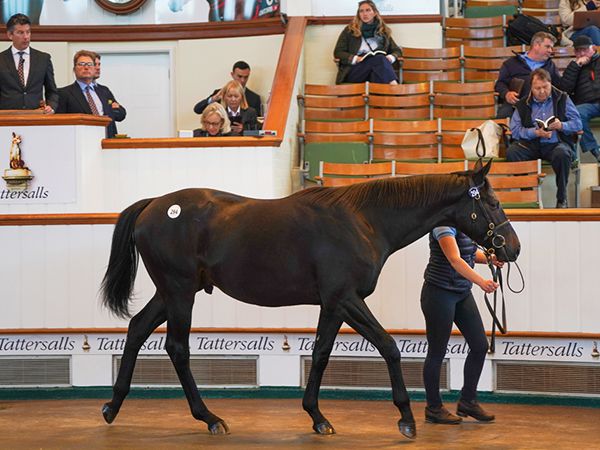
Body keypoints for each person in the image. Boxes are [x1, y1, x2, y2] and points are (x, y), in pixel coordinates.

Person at [421, 226, 501, 425]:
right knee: (437, 351)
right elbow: (455, 259)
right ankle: (433, 408)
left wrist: (491, 259)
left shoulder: (462, 222)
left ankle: (468, 401)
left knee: (480, 346)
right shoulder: (443, 225)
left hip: (461, 292)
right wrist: (482, 282)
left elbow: (469, 251)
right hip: (439, 293)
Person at [507, 68, 582, 208]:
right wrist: (535, 132)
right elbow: (515, 130)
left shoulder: (562, 98)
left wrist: (561, 125)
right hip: (531, 145)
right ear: (531, 88)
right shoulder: (523, 104)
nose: (542, 91)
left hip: (555, 144)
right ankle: (527, 194)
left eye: (545, 87)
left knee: (562, 153)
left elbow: (578, 123)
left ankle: (561, 199)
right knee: (512, 152)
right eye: (537, 88)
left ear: (550, 83)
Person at [56, 50, 126, 138]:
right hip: (81, 142)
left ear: (94, 69)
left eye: (89, 64)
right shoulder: (63, 93)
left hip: (107, 141)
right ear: (74, 69)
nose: (86, 67)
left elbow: (121, 115)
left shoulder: (104, 91)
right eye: (81, 64)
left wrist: (115, 109)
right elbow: (60, 125)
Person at [495, 31, 562, 119]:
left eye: (551, 48)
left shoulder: (551, 66)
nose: (550, 51)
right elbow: (500, 84)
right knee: (502, 118)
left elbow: (559, 87)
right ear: (536, 45)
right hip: (516, 104)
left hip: (543, 106)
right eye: (547, 47)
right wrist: (507, 94)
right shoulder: (511, 63)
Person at [333, 0, 401, 85]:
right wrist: (355, 58)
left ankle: (386, 96)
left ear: (375, 13)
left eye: (368, 10)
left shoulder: (382, 31)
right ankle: (396, 88)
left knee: (377, 73)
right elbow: (338, 52)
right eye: (361, 11)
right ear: (358, 14)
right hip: (355, 71)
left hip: (376, 69)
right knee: (379, 59)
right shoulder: (350, 30)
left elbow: (397, 50)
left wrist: (391, 57)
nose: (364, 14)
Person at [0, 13, 58, 112]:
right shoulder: (1, 59)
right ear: (10, 35)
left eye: (28, 32)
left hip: (36, 116)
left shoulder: (43, 59)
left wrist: (51, 106)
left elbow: (52, 91)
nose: (26, 37)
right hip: (7, 118)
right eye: (20, 33)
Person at [561, 35, 600, 162]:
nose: (582, 53)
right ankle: (596, 150)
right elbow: (564, 89)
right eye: (578, 50)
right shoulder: (573, 67)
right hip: (587, 105)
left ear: (592, 48)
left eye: (585, 49)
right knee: (576, 113)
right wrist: (576, 66)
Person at [193, 60, 262, 115]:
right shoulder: (219, 93)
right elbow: (197, 110)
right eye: (239, 76)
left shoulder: (254, 98)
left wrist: (243, 128)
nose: (242, 80)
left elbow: (257, 125)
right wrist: (213, 99)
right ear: (232, 75)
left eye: (246, 77)